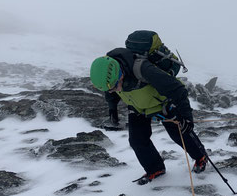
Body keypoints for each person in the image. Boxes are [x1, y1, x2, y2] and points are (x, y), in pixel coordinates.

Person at [89, 48, 208, 185]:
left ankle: (200, 156)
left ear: (120, 74)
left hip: (163, 104)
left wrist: (187, 117)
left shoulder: (144, 70)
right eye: (110, 89)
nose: (114, 91)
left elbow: (178, 90)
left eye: (115, 87)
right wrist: (112, 108)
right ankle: (155, 169)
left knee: (179, 133)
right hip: (137, 106)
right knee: (137, 140)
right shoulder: (110, 76)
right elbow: (109, 90)